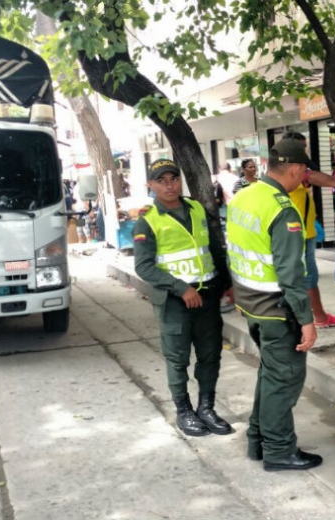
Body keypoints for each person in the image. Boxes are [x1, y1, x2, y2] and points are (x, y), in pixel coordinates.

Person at [226, 138, 321, 472]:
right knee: (284, 380)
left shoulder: (243, 196)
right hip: (277, 311)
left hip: (251, 306)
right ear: (295, 169)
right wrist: (306, 320)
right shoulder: (283, 209)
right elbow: (291, 273)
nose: (303, 177)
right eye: (304, 172)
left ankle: (258, 439)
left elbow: (234, 251)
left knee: (270, 374)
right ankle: (279, 451)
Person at [133, 159, 233, 438]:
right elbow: (143, 266)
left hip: (208, 294)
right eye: (162, 180)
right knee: (178, 359)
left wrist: (227, 282)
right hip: (175, 301)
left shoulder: (196, 208)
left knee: (210, 354)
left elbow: (213, 247)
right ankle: (184, 411)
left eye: (173, 179)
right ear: (151, 185)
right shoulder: (148, 219)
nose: (169, 185)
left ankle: (206, 407)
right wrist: (180, 288)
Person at [281, 130, 335, 329]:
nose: (306, 151)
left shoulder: (284, 169)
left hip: (301, 231)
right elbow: (311, 177)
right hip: (299, 234)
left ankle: (306, 315)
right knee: (308, 277)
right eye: (303, 147)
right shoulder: (295, 170)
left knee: (302, 276)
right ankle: (319, 318)